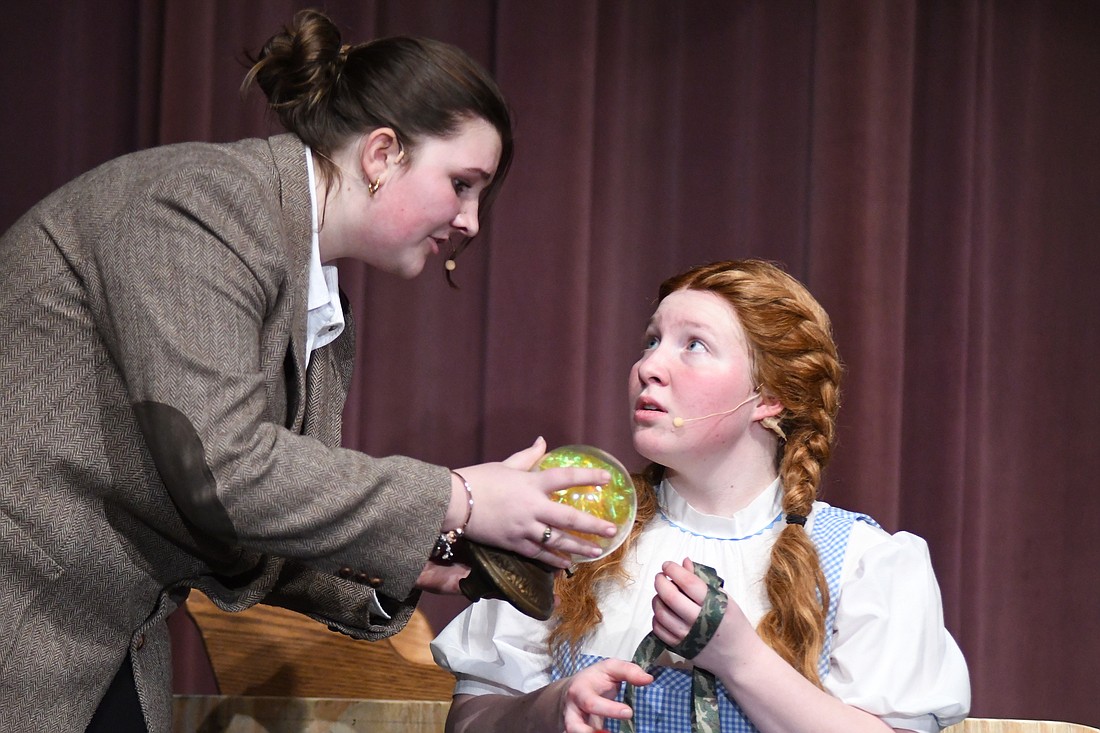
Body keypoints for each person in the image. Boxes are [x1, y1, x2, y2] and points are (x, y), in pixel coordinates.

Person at [0, 10, 619, 733]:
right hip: (26, 617)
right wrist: (457, 497)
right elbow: (224, 471)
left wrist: (425, 554)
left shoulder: (322, 310)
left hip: (103, 647)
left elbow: (251, 525)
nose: (473, 222)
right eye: (463, 183)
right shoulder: (202, 202)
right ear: (382, 153)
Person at [432, 259, 971, 733]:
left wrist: (741, 660)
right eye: (650, 340)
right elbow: (471, 717)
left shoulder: (863, 564)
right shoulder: (572, 530)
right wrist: (549, 710)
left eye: (694, 345)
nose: (649, 367)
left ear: (769, 398)